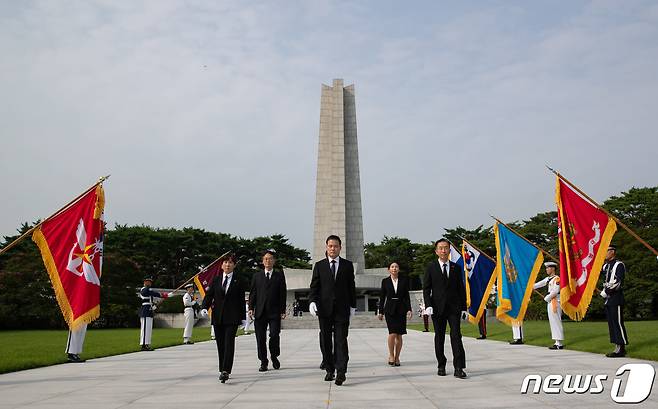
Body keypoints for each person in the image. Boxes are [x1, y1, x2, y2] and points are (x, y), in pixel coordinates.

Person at [309, 235, 356, 386]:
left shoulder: (347, 265)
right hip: (324, 309)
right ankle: (330, 369)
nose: (333, 248)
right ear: (326, 247)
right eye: (330, 246)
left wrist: (353, 306)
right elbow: (314, 287)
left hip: (342, 310)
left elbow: (351, 287)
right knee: (325, 341)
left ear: (340, 248)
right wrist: (311, 302)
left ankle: (341, 372)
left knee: (341, 341)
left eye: (335, 246)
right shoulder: (319, 265)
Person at [423, 238, 468, 379]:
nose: (443, 250)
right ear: (436, 251)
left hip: (453, 308)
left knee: (456, 336)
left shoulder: (456, 267)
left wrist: (464, 307)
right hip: (437, 308)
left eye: (446, 248)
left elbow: (461, 288)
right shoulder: (431, 267)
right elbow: (426, 288)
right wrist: (428, 305)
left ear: (449, 250)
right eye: (441, 248)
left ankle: (459, 367)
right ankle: (441, 364)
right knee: (439, 337)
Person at [200, 254, 246, 383]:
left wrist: (243, 318)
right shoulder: (216, 280)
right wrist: (205, 307)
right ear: (221, 265)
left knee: (229, 343)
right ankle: (222, 369)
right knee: (220, 344)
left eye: (230, 263)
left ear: (234, 265)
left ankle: (226, 370)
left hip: (232, 317)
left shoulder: (239, 280)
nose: (227, 265)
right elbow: (209, 296)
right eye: (225, 262)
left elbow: (241, 300)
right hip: (218, 317)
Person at [249, 250, 287, 372]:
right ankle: (263, 361)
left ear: (274, 261)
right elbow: (253, 293)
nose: (268, 261)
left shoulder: (279, 275)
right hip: (260, 312)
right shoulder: (257, 276)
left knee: (274, 335)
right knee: (260, 338)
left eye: (270, 259)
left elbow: (283, 293)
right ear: (262, 261)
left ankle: (274, 356)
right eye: (265, 259)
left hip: (274, 311)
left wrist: (283, 309)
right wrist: (250, 308)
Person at [378, 261, 412, 366]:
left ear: (399, 269)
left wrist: (409, 309)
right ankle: (391, 355)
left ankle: (397, 357)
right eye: (392, 267)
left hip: (401, 309)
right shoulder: (385, 281)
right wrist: (380, 311)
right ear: (389, 269)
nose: (394, 268)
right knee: (392, 333)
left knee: (399, 335)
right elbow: (382, 297)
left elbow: (406, 297)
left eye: (396, 267)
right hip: (390, 310)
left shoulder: (404, 281)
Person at [600, 245, 629, 358]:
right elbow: (601, 276)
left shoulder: (619, 264)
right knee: (611, 324)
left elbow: (618, 281)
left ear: (612, 252)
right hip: (608, 299)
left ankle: (621, 347)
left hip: (615, 297)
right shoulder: (606, 265)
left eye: (606, 251)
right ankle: (616, 346)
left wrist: (607, 291)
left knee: (617, 322)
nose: (605, 253)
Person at [533, 261, 564, 349]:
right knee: (552, 322)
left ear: (553, 268)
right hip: (550, 301)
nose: (546, 269)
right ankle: (556, 341)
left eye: (548, 268)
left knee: (556, 321)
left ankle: (559, 343)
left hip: (555, 301)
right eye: (546, 268)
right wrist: (530, 286)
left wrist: (547, 297)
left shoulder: (557, 279)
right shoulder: (548, 279)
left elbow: (556, 290)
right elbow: (540, 284)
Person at [139, 277, 167, 351]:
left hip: (149, 310)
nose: (149, 283)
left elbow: (152, 301)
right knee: (145, 329)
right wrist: (162, 295)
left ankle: (147, 344)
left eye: (150, 282)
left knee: (148, 329)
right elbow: (151, 293)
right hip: (145, 311)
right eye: (147, 282)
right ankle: (143, 345)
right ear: (144, 283)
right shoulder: (144, 289)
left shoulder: (149, 291)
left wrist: (155, 306)